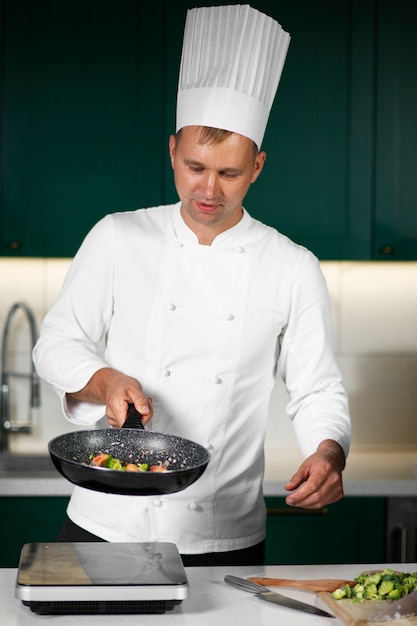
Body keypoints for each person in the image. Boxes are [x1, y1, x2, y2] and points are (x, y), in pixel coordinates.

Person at [33, 5, 351, 567]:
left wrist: (329, 454)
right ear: (172, 150)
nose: (208, 189)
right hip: (104, 520)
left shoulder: (292, 265)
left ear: (257, 167)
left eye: (229, 173)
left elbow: (317, 389)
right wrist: (106, 380)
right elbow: (55, 343)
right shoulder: (118, 236)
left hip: (223, 533)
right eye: (194, 166)